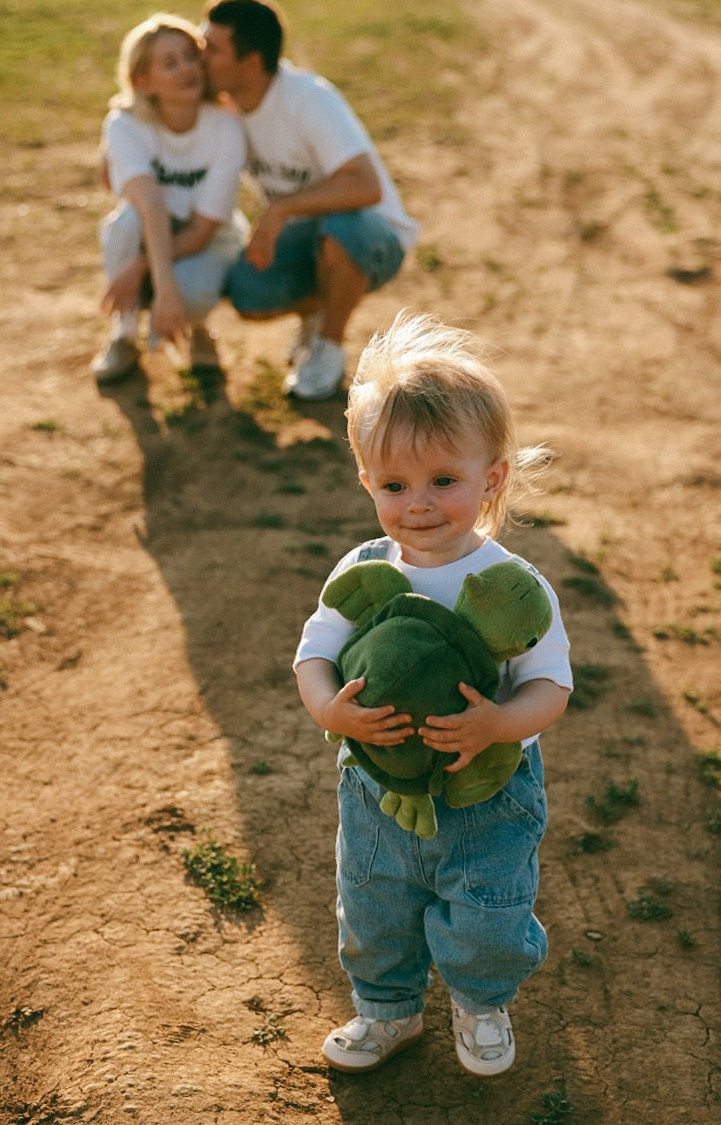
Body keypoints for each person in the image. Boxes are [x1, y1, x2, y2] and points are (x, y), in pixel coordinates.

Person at [294, 312, 572, 1075]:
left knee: (486, 908)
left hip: (485, 788)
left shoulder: (510, 587)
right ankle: (387, 1009)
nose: (417, 502)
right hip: (376, 785)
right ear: (367, 483)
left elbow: (550, 686)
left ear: (492, 477)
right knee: (374, 902)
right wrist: (329, 708)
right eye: (394, 484)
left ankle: (481, 1001)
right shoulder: (362, 572)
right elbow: (313, 654)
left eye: (442, 481)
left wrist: (497, 722)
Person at [201, 0, 419, 400]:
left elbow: (366, 186)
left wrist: (281, 208)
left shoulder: (308, 98)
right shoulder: (224, 110)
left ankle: (329, 349)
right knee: (247, 293)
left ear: (249, 63)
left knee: (340, 228)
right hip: (306, 238)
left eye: (211, 50)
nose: (200, 58)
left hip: (372, 236)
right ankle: (318, 311)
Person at [91, 13, 247, 383]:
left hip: (205, 232)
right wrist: (161, 283)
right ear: (143, 82)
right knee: (125, 223)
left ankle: (198, 327)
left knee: (193, 293)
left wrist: (144, 269)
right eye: (169, 63)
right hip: (147, 224)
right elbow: (152, 205)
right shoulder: (124, 123)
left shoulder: (225, 126)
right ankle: (125, 335)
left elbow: (204, 230)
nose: (186, 70)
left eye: (190, 57)